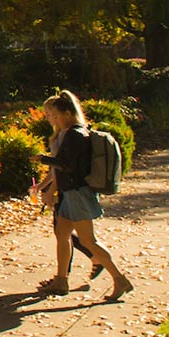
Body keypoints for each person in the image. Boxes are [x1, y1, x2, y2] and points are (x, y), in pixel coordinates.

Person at [33, 90, 134, 300]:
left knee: (89, 241)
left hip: (78, 193)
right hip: (70, 193)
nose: (55, 120)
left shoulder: (75, 134)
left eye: (57, 115)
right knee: (62, 234)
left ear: (68, 113)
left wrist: (43, 159)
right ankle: (61, 280)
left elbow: (67, 165)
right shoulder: (74, 132)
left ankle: (119, 279)